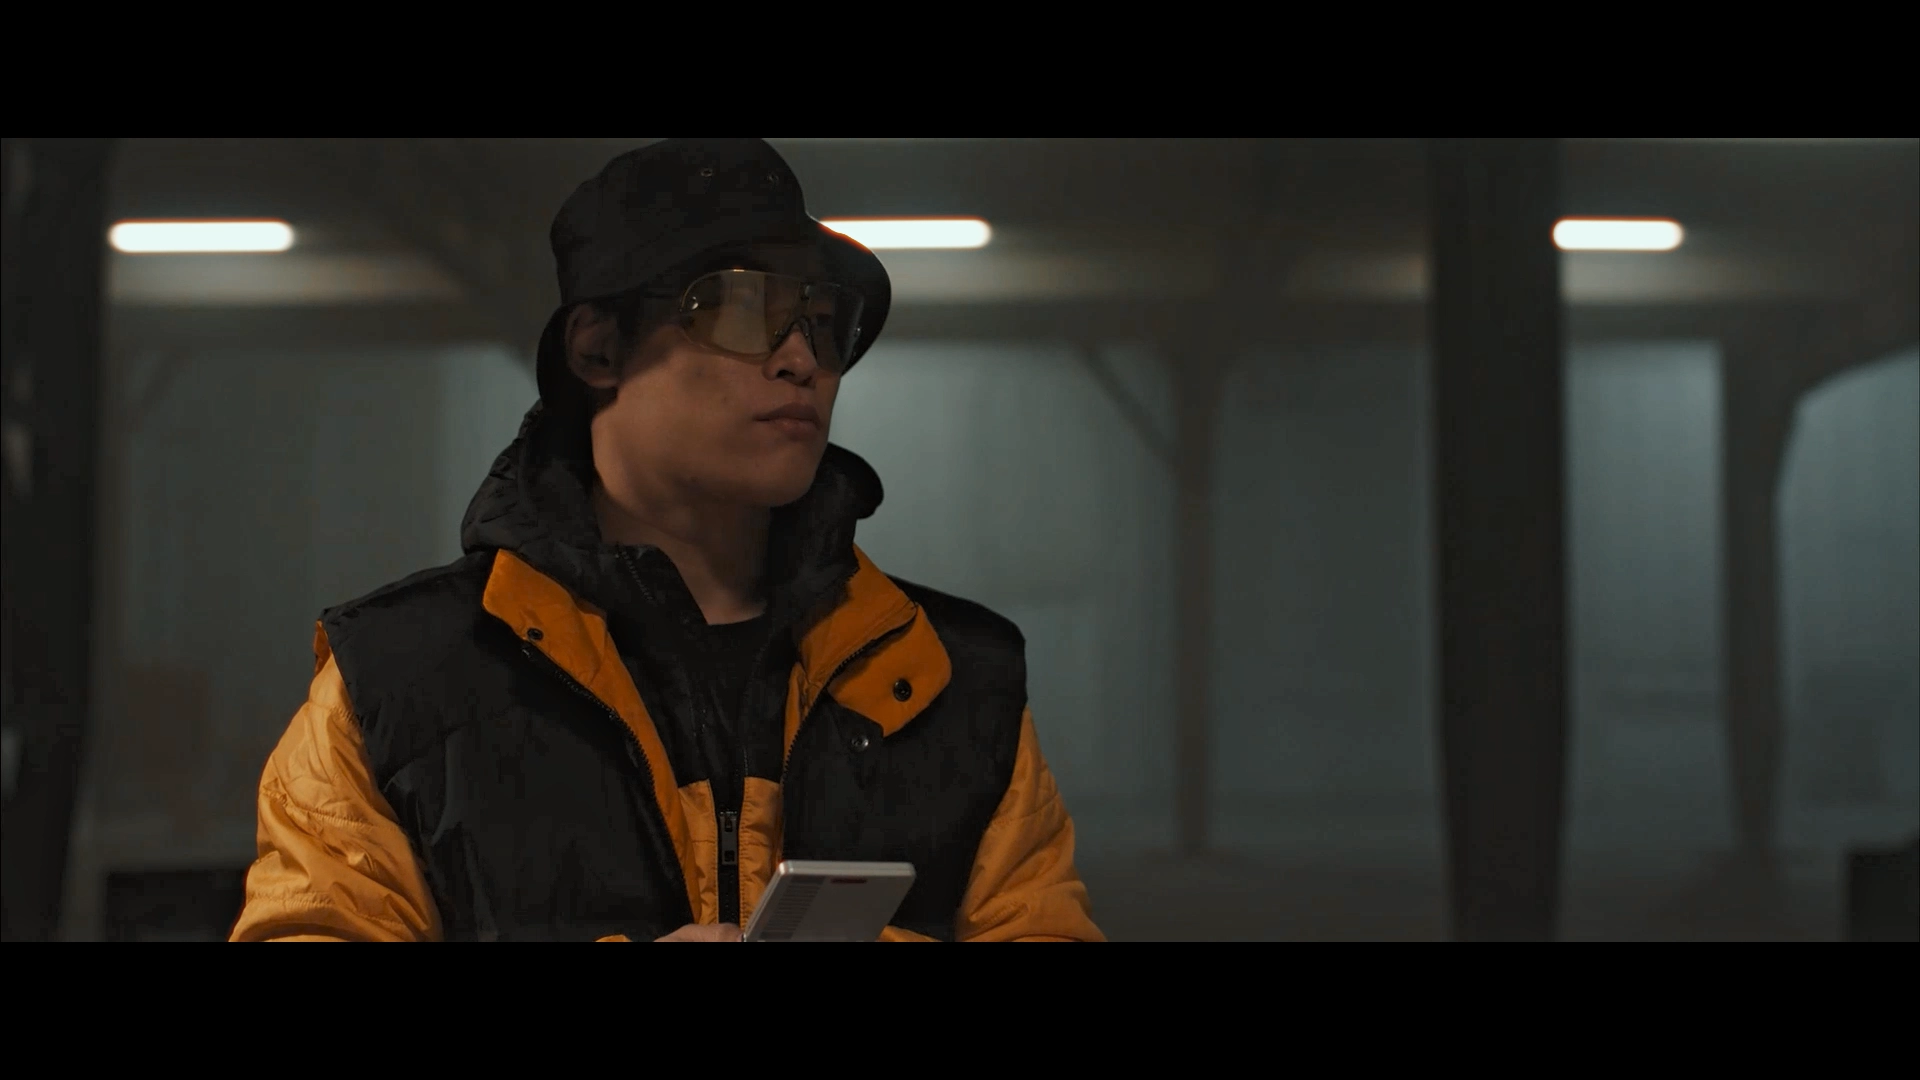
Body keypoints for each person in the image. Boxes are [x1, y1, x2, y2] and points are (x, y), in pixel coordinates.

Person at [228, 138, 1103, 942]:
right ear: (598, 349)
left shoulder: (949, 681)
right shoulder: (401, 683)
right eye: (741, 305)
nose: (802, 359)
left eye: (822, 318)